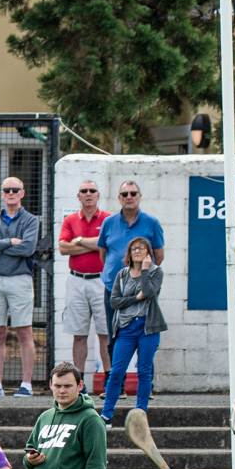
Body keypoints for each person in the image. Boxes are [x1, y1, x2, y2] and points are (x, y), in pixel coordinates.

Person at [0, 177, 39, 398]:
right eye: (7, 190)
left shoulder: (31, 220)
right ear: (2, 194)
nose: (11, 192)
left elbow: (28, 248)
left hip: (20, 278)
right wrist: (11, 242)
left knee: (24, 332)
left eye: (15, 189)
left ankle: (27, 384)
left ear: (22, 193)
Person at [96, 181, 164, 376]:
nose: (129, 197)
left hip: (144, 290)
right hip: (115, 289)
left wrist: (144, 274)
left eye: (133, 193)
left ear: (139, 197)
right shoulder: (109, 223)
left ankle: (147, 385)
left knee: (146, 335)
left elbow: (159, 255)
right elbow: (104, 254)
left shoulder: (152, 223)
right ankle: (117, 384)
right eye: (124, 194)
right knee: (114, 334)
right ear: (119, 198)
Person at [100, 238, 166, 426]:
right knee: (116, 372)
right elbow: (115, 302)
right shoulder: (122, 274)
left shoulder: (155, 272)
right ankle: (106, 414)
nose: (137, 251)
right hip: (126, 328)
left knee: (144, 372)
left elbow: (150, 291)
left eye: (141, 248)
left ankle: (140, 414)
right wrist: (137, 297)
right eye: (134, 248)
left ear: (148, 252)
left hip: (148, 328)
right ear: (129, 253)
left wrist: (145, 270)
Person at [58, 181, 111, 388]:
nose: (88, 194)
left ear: (98, 195)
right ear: (78, 196)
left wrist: (78, 241)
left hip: (101, 280)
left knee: (105, 333)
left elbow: (106, 245)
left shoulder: (107, 219)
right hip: (77, 280)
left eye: (92, 191)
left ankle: (111, 380)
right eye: (84, 191)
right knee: (79, 334)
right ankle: (78, 384)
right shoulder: (70, 220)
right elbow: (63, 248)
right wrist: (92, 244)